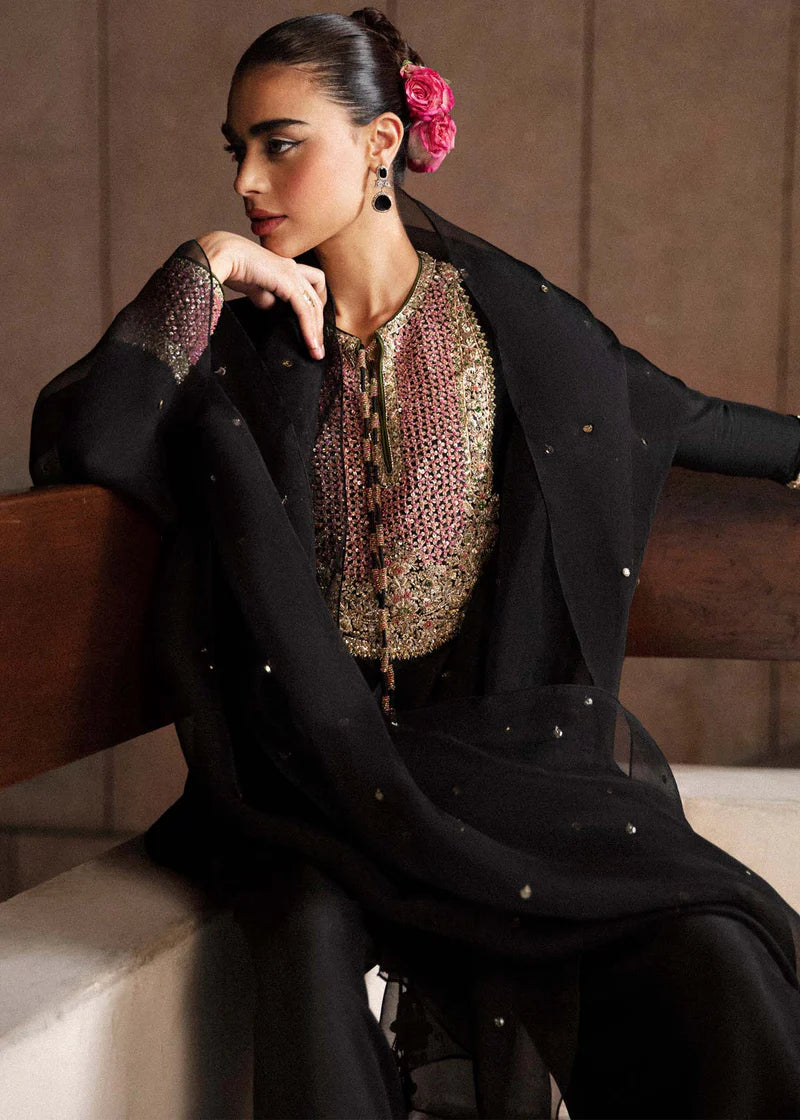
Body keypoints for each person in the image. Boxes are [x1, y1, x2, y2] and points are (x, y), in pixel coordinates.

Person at [27, 8, 800, 1119]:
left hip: (498, 763)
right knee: (303, 930)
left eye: (280, 143)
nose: (247, 180)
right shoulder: (237, 351)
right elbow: (93, 436)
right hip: (304, 784)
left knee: (717, 946)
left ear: (381, 142)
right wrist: (203, 265)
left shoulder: (509, 325)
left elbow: (684, 416)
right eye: (236, 149)